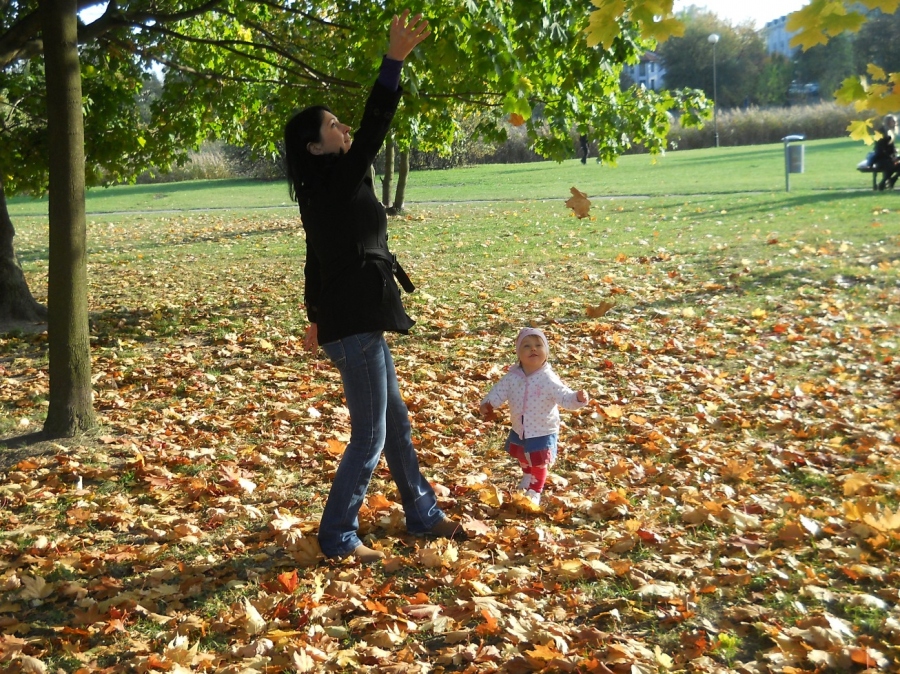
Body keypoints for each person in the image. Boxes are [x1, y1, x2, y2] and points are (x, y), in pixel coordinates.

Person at [283, 9, 466, 563]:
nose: (344, 130)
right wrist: (393, 61)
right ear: (315, 148)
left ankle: (423, 514)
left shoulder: (333, 184)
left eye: (341, 123)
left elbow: (318, 260)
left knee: (397, 429)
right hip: (355, 325)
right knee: (369, 437)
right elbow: (375, 124)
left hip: (353, 321)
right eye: (332, 125)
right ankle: (337, 535)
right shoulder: (333, 183)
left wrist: (314, 315)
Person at [479, 328, 589, 505]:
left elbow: (564, 397)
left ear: (546, 352)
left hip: (542, 429)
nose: (533, 349)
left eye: (539, 345)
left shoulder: (548, 378)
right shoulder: (513, 377)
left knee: (538, 461)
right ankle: (527, 475)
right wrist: (488, 404)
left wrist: (577, 398)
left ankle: (535, 490)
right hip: (520, 427)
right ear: (518, 353)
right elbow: (498, 392)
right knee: (522, 455)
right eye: (527, 346)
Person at [872, 114, 899, 190]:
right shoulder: (881, 132)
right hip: (881, 157)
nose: (894, 123)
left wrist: (895, 154)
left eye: (895, 121)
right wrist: (891, 158)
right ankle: (883, 183)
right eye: (892, 121)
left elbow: (891, 147)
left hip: (889, 157)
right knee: (891, 166)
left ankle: (892, 180)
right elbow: (881, 148)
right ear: (888, 122)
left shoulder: (891, 131)